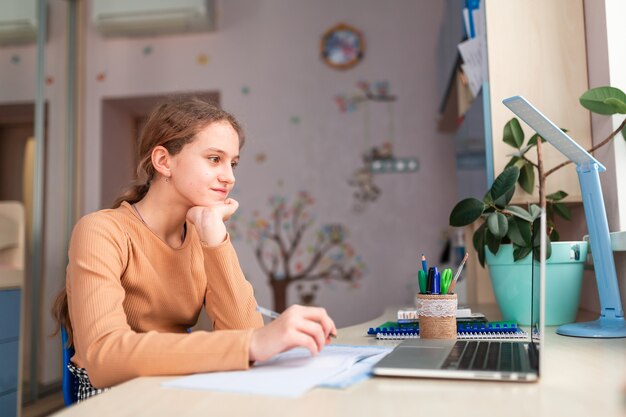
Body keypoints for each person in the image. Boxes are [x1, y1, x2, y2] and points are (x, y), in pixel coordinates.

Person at [52, 97, 336, 401]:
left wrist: (215, 238)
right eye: (215, 159)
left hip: (172, 384)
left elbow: (243, 332)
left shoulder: (201, 235)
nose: (230, 176)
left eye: (233, 163)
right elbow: (104, 357)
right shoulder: (101, 230)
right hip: (111, 394)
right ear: (163, 162)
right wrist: (251, 344)